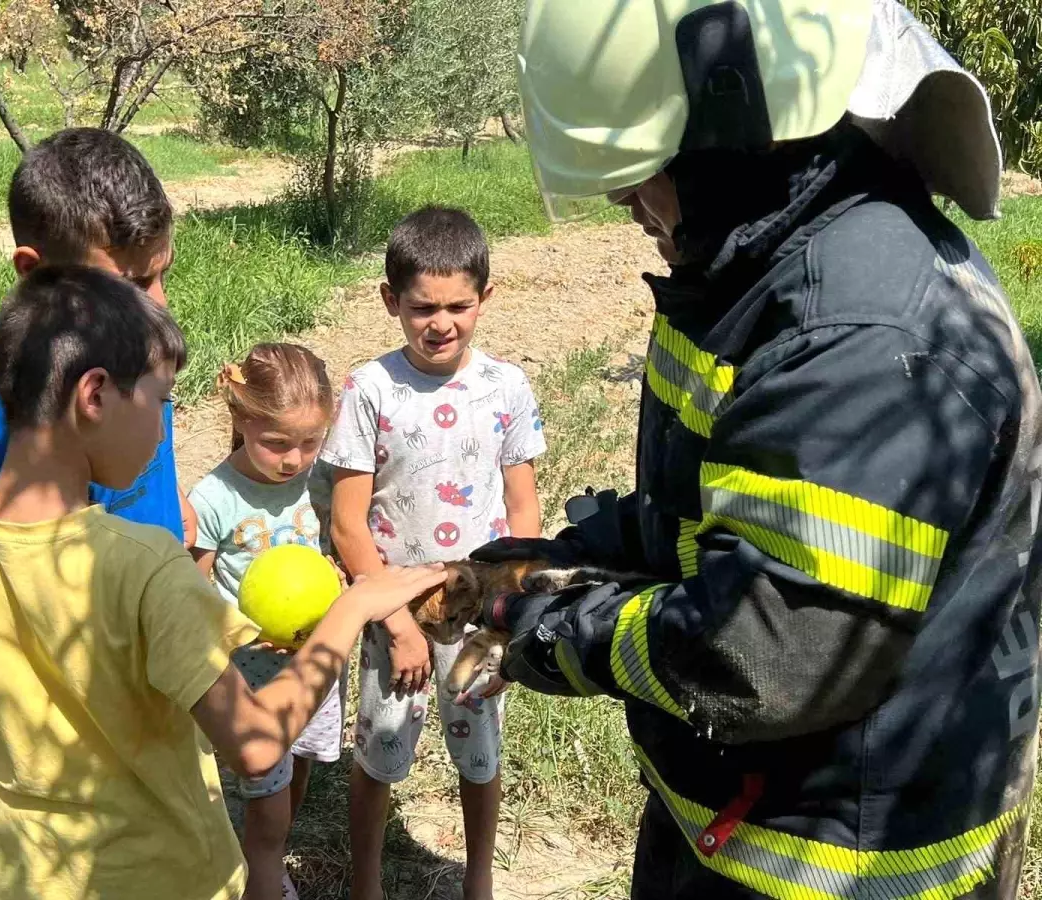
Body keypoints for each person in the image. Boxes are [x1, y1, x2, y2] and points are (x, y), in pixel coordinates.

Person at [464, 1, 1042, 898]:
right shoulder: (751, 271)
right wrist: (579, 553)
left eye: (640, 175)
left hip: (845, 865)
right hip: (743, 825)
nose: (628, 205)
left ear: (731, 130)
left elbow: (762, 653)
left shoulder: (857, 336)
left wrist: (553, 632)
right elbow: (723, 496)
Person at [0, 265, 447, 900]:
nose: (164, 427)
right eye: (161, 400)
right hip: (172, 877)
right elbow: (258, 747)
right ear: (95, 395)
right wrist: (351, 611)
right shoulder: (148, 564)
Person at [321, 206, 547, 900]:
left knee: (480, 756)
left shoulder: (505, 387)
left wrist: (511, 621)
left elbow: (523, 512)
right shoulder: (370, 390)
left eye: (458, 305)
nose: (440, 322)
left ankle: (477, 880)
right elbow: (348, 524)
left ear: (486, 297)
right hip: (394, 612)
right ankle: (367, 885)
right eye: (422, 307)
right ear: (391, 301)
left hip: (481, 616)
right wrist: (393, 624)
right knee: (380, 753)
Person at [0, 127, 197, 548]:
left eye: (162, 273)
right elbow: (30, 572)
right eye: (132, 284)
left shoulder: (128, 344)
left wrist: (167, 499)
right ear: (34, 272)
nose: (160, 305)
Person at [189, 344, 340, 900]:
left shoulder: (319, 482)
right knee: (266, 803)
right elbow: (192, 593)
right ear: (240, 418)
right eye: (277, 442)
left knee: (297, 764)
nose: (293, 459)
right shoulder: (214, 498)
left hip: (313, 666)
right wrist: (243, 632)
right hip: (249, 677)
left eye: (309, 442)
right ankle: (261, 876)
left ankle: (267, 860)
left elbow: (335, 546)